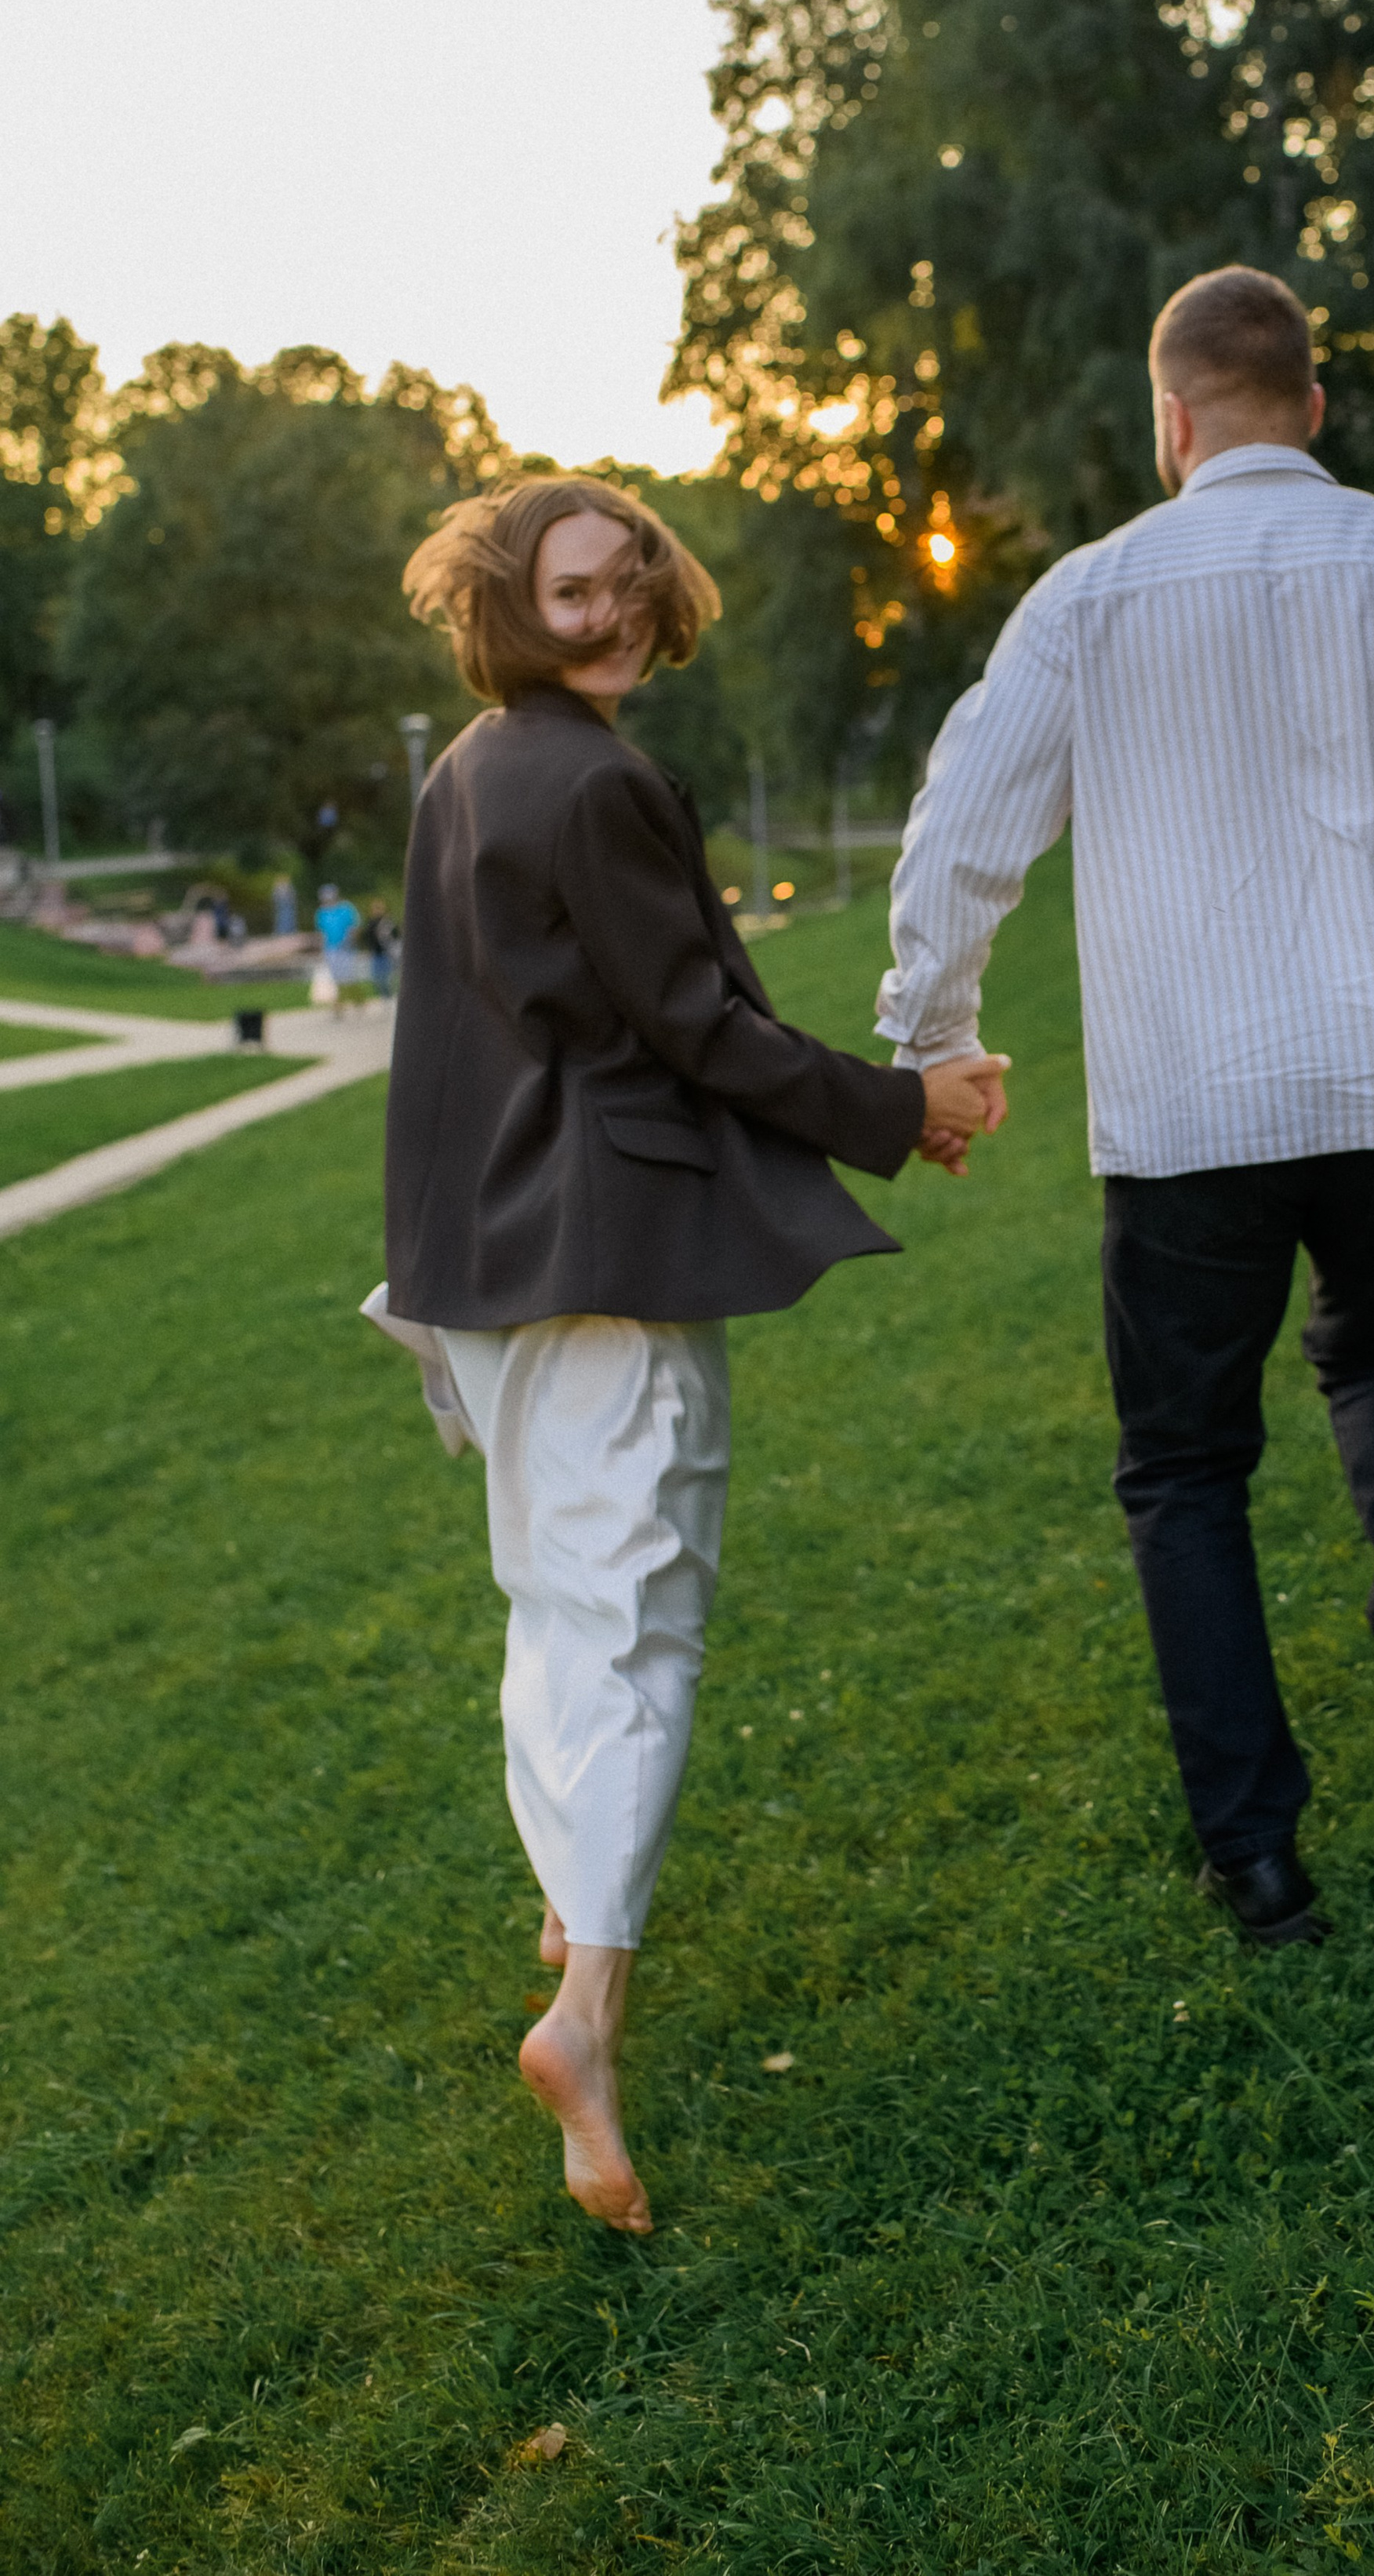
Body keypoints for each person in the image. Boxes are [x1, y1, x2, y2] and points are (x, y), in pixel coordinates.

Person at [876, 267, 1374, 1948]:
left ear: (1169, 422)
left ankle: (1257, 1856)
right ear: (1316, 411)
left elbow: (961, 830)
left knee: (1184, 1468)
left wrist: (931, 1040)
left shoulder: (1089, 595)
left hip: (1190, 1108)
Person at [371, 475, 1005, 2232]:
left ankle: (573, 1920)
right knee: (636, 1624)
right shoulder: (590, 779)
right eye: (574, 590)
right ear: (507, 603)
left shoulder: (469, 772)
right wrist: (904, 1103)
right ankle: (582, 2019)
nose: (615, 614)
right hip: (604, 1258)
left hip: (486, 1260)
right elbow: (698, 1027)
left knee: (555, 1606)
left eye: (631, 581)